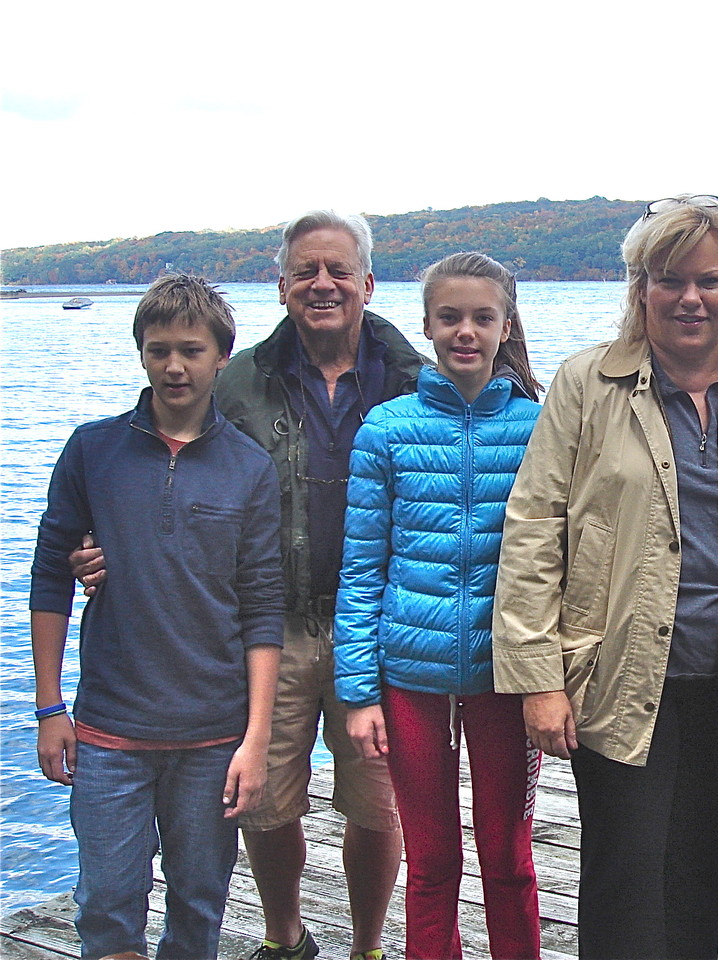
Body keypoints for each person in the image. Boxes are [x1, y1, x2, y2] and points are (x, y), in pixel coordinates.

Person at [71, 210, 419, 960]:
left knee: (376, 801)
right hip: (269, 623)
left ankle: (366, 945)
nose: (320, 285)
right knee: (265, 802)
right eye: (305, 272)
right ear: (282, 284)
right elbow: (163, 459)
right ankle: (285, 935)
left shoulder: (412, 379)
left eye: (336, 271)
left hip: (377, 625)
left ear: (367, 281)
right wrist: (104, 545)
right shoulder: (236, 381)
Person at [492, 195, 718, 960]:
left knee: (702, 875)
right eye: (669, 279)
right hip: (621, 674)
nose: (690, 297)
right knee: (623, 876)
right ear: (640, 289)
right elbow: (534, 532)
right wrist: (538, 678)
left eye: (709, 280)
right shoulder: (585, 386)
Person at [30, 274, 284, 960]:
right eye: (159, 349)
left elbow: (263, 609)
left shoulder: (249, 468)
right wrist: (49, 707)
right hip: (110, 731)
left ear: (221, 357)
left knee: (198, 911)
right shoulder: (93, 450)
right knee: (108, 910)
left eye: (192, 351)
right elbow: (51, 577)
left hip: (213, 738)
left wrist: (256, 738)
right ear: (141, 353)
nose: (175, 365)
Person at [334, 252, 544, 960]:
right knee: (432, 865)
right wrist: (359, 692)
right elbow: (361, 570)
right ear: (425, 324)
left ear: (505, 324)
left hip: (503, 677)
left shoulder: (538, 427)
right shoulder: (386, 430)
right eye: (449, 317)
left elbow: (560, 562)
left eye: (482, 317)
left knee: (508, 859)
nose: (465, 331)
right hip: (409, 678)